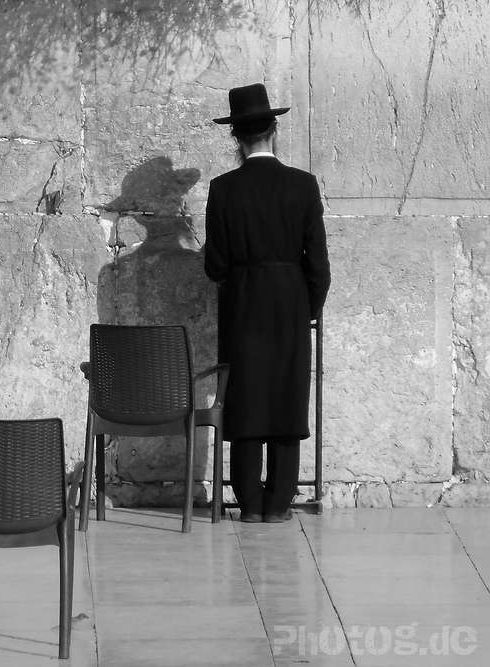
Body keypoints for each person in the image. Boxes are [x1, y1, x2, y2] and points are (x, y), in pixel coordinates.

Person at [204, 83, 331, 523]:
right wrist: (306, 308)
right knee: (284, 400)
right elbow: (318, 264)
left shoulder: (223, 190)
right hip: (290, 306)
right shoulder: (303, 185)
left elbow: (215, 265)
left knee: (246, 402)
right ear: (274, 129)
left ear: (235, 138)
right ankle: (278, 505)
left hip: (242, 307)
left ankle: (250, 505)